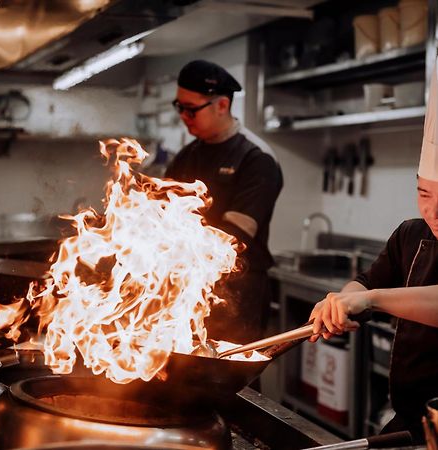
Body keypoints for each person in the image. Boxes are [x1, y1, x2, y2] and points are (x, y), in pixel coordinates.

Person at [308, 61, 438, 444]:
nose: (431, 211)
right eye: (424, 193)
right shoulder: (411, 235)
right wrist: (344, 302)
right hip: (414, 419)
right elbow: (364, 283)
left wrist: (371, 300)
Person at [165, 60, 283, 344]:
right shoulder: (186, 156)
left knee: (229, 380)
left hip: (236, 295)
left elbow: (234, 238)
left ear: (222, 105)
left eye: (191, 109)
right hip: (188, 288)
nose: (184, 116)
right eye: (179, 107)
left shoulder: (256, 159)